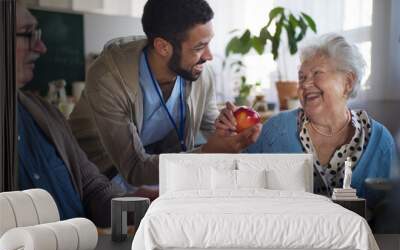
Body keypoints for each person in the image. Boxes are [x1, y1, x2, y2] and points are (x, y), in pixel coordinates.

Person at [68, 0, 261, 189]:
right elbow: (134, 169)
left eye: (209, 43)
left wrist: (228, 129)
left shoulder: (200, 73)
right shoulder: (109, 79)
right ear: (163, 47)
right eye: (199, 47)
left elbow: (211, 127)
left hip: (158, 174)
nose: (209, 56)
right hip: (98, 180)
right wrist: (206, 153)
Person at [15, 0, 157, 227]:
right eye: (28, 34)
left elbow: (93, 189)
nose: (41, 47)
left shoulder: (47, 115)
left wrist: (135, 205)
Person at [216, 34, 397, 203]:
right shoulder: (275, 131)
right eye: (302, 77)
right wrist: (227, 143)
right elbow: (236, 183)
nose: (306, 84)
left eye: (317, 73)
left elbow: (389, 214)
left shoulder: (380, 141)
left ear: (348, 82)